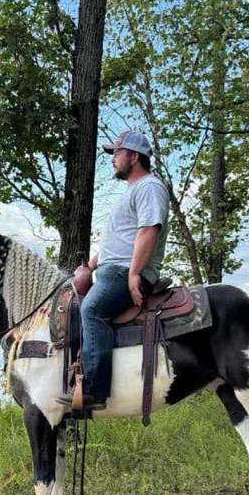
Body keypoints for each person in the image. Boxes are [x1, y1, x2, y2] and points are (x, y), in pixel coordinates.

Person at [58, 130, 170, 413]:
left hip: (125, 272)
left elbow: (148, 232)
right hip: (113, 269)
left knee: (92, 310)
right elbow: (118, 241)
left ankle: (94, 390)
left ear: (134, 157)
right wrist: (90, 265)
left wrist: (134, 274)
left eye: (117, 153)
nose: (113, 159)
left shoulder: (149, 187)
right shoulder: (132, 191)